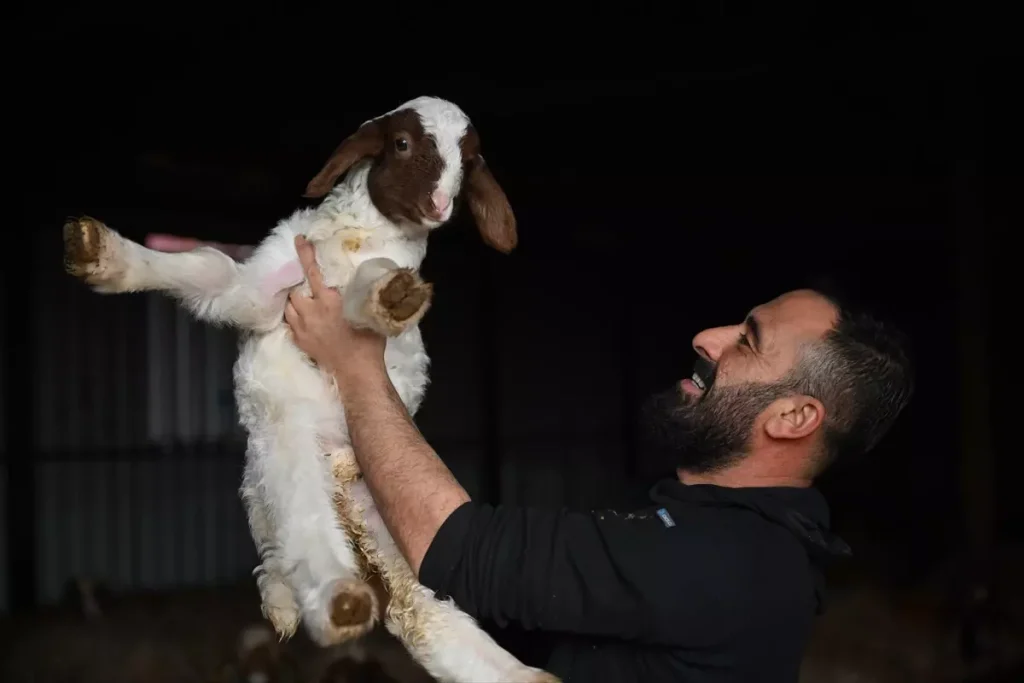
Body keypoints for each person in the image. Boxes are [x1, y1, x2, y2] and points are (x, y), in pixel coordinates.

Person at [151, 233, 914, 681]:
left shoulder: (730, 563)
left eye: (746, 339)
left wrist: (356, 368)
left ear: (792, 417)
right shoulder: (704, 526)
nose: (707, 337)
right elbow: (509, 603)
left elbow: (456, 547)